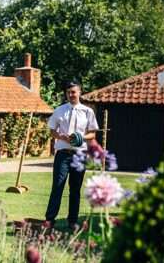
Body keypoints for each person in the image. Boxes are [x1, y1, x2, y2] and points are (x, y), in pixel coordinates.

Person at [45, 81, 99, 230]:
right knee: (57, 186)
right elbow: (51, 130)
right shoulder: (59, 110)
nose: (71, 95)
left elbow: (92, 133)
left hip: (79, 155)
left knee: (75, 189)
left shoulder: (88, 112)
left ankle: (73, 221)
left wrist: (80, 136)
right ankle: (50, 220)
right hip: (62, 154)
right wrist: (61, 137)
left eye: (74, 92)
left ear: (79, 92)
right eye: (68, 92)